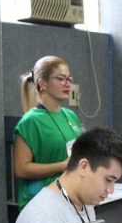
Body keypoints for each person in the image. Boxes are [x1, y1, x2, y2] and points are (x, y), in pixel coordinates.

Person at [13, 56, 81, 209]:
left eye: (69, 79)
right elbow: (21, 169)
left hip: (69, 199)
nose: (67, 84)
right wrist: (62, 166)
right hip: (41, 203)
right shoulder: (30, 121)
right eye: (60, 79)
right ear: (42, 83)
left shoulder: (71, 116)